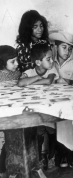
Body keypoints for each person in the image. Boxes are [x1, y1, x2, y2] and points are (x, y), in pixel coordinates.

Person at [18, 43, 59, 169]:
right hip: (35, 109)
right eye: (48, 59)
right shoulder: (29, 72)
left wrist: (31, 81)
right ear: (38, 62)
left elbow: (48, 81)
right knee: (39, 131)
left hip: (51, 108)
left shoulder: (52, 70)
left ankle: (52, 157)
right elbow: (20, 83)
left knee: (52, 131)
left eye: (51, 58)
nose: (52, 61)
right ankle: (41, 159)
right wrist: (36, 77)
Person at [49, 31, 73, 172]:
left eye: (70, 49)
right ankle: (61, 156)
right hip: (54, 102)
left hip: (70, 102)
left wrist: (67, 81)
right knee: (52, 126)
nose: (67, 51)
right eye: (64, 47)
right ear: (55, 48)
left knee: (72, 125)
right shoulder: (50, 63)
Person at [0, 45, 21, 176]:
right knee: (5, 143)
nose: (16, 64)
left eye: (16, 60)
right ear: (2, 62)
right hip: (3, 115)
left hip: (16, 113)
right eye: (12, 61)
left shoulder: (17, 74)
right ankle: (2, 171)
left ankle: (16, 169)